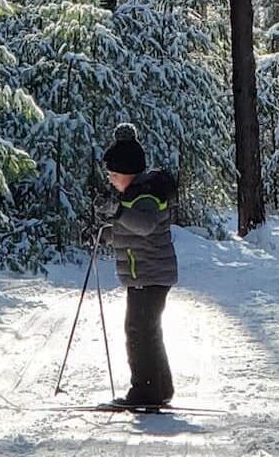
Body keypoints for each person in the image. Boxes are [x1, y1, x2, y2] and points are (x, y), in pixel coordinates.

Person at [99, 123, 178, 408]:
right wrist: (105, 235)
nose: (110, 179)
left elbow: (143, 226)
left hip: (149, 275)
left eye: (113, 175)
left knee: (139, 332)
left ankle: (145, 391)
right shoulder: (135, 196)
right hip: (144, 275)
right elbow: (129, 231)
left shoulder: (145, 196)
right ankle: (160, 387)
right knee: (148, 330)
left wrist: (118, 212)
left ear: (128, 173)